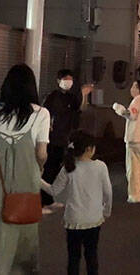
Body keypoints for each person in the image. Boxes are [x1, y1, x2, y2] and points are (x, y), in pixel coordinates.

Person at [0, 64, 51, 274]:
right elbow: (42, 153)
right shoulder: (41, 114)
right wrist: (40, 168)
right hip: (26, 181)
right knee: (24, 233)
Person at [40, 130, 112, 275]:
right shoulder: (100, 167)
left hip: (73, 219)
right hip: (93, 219)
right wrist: (106, 211)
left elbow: (53, 190)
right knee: (91, 254)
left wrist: (37, 179)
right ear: (89, 149)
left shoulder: (68, 168)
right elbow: (108, 192)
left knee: (73, 256)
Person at [41, 69, 85, 207]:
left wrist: (84, 94)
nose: (68, 82)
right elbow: (46, 114)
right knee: (49, 169)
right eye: (66, 79)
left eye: (70, 79)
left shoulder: (71, 98)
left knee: (59, 170)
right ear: (58, 80)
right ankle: (43, 200)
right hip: (53, 138)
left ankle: (49, 199)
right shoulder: (52, 97)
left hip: (65, 138)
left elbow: (78, 111)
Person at [112, 80, 140, 203]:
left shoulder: (137, 100)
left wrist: (118, 108)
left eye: (133, 86)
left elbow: (130, 114)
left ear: (138, 88)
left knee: (133, 168)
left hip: (135, 139)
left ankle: (134, 195)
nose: (131, 88)